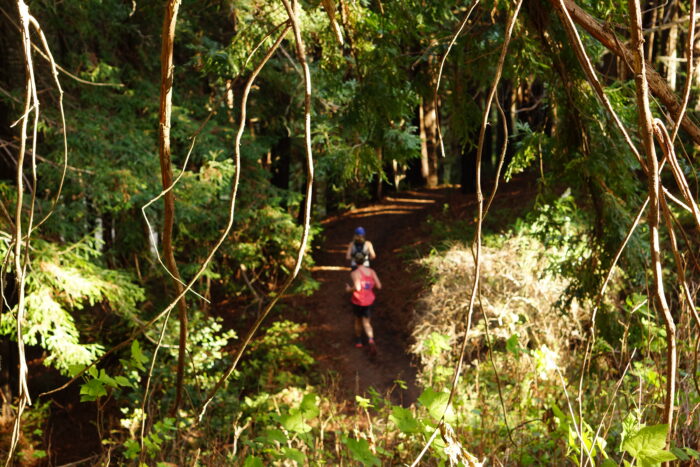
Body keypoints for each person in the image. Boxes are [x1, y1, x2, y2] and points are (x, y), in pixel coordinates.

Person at [345, 251, 382, 351]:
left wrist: (349, 289)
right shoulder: (371, 272)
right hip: (369, 301)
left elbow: (357, 287)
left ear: (355, 261)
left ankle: (358, 341)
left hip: (358, 301)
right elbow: (379, 286)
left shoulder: (355, 273)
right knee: (367, 322)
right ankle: (370, 339)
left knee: (358, 321)